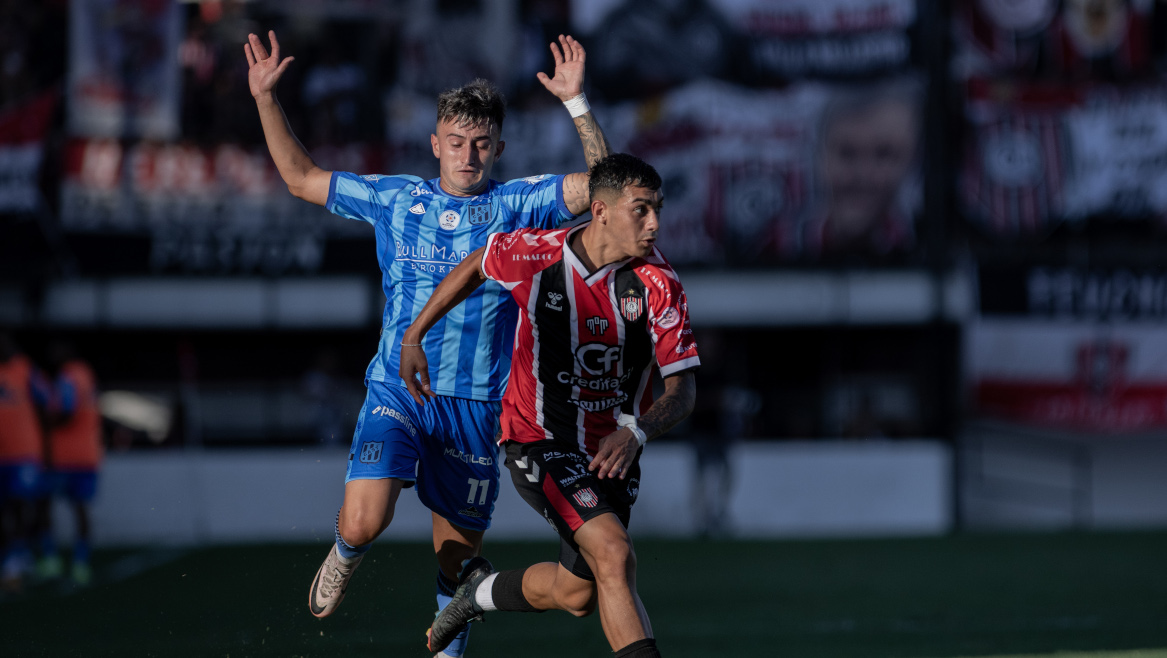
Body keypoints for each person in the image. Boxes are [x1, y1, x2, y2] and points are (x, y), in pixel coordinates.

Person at [244, 30, 610, 657]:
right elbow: (302, 178)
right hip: (398, 385)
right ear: (435, 143)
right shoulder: (396, 198)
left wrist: (577, 104)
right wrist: (265, 99)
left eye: (481, 144)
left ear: (497, 148)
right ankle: (344, 551)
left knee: (456, 567)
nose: (467, 155)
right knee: (364, 519)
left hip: (475, 408)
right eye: (457, 142)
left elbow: (608, 191)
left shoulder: (517, 204)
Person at [400, 153, 699, 658]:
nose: (655, 223)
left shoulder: (658, 283)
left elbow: (684, 390)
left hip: (612, 451)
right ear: (600, 211)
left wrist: (637, 432)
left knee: (577, 593)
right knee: (613, 552)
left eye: (658, 209)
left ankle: (476, 594)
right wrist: (414, 335)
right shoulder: (538, 256)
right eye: (641, 210)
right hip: (538, 438)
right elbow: (478, 262)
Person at [36, 343, 103, 586]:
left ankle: (51, 561)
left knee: (43, 504)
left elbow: (66, 409)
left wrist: (43, 425)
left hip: (63, 455)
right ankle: (81, 564)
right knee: (80, 508)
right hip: (88, 454)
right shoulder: (87, 373)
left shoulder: (67, 376)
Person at [0, 333, 49, 592]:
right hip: (3, 455)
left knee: (21, 505)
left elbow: (44, 403)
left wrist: (47, 447)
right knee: (5, 509)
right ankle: (13, 556)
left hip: (24, 453)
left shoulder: (26, 370)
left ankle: (15, 560)